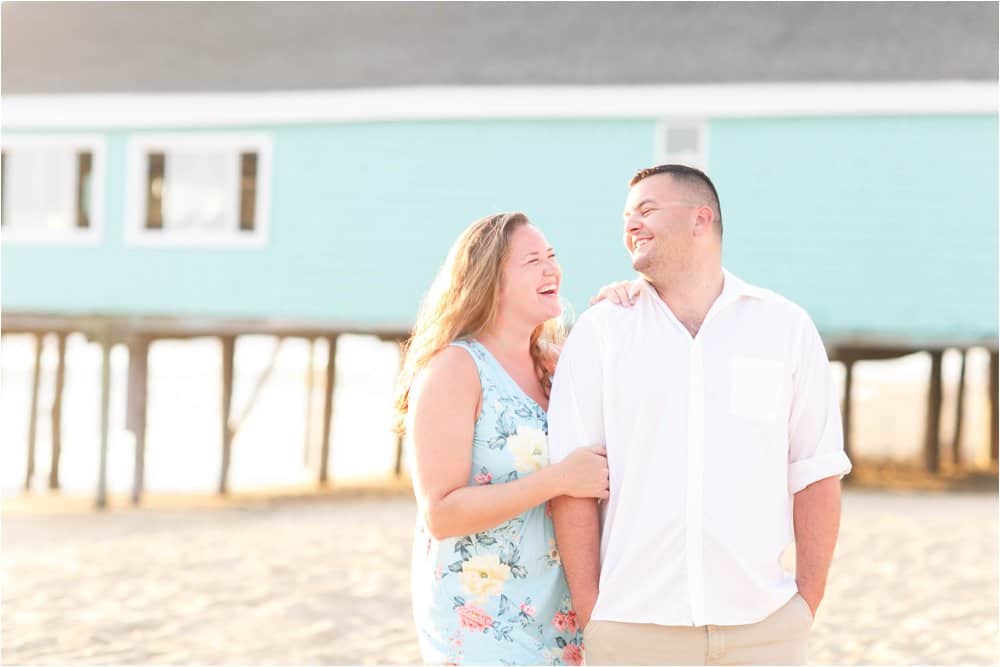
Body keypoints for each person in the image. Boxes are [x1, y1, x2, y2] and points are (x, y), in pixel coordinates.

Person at [548, 164, 852, 665]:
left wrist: (806, 601)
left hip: (765, 627)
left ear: (700, 219)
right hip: (633, 627)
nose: (631, 225)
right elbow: (574, 481)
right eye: (626, 216)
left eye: (647, 210)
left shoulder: (785, 327)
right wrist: (591, 610)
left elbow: (816, 471)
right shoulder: (602, 332)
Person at [394, 212, 612, 665]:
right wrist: (558, 479)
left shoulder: (554, 368)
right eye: (533, 260)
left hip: (560, 612)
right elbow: (441, 512)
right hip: (483, 617)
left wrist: (630, 302)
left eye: (552, 256)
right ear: (489, 280)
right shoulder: (455, 369)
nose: (552, 268)